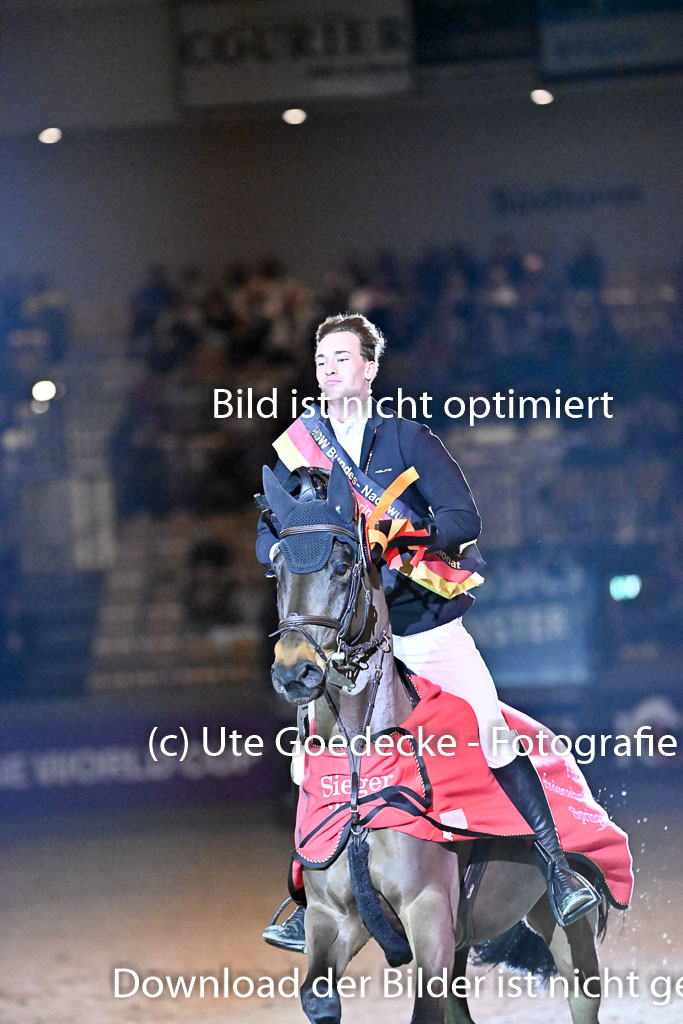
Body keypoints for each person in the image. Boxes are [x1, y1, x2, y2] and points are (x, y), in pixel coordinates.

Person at [256, 312, 599, 951]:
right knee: (309, 763)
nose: (329, 369)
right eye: (322, 359)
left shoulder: (407, 438)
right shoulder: (300, 448)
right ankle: (306, 901)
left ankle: (557, 871)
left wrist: (404, 537)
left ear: (370, 367)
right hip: (346, 645)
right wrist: (286, 551)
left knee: (491, 728)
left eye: (342, 358)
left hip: (420, 624)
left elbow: (464, 518)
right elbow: (267, 535)